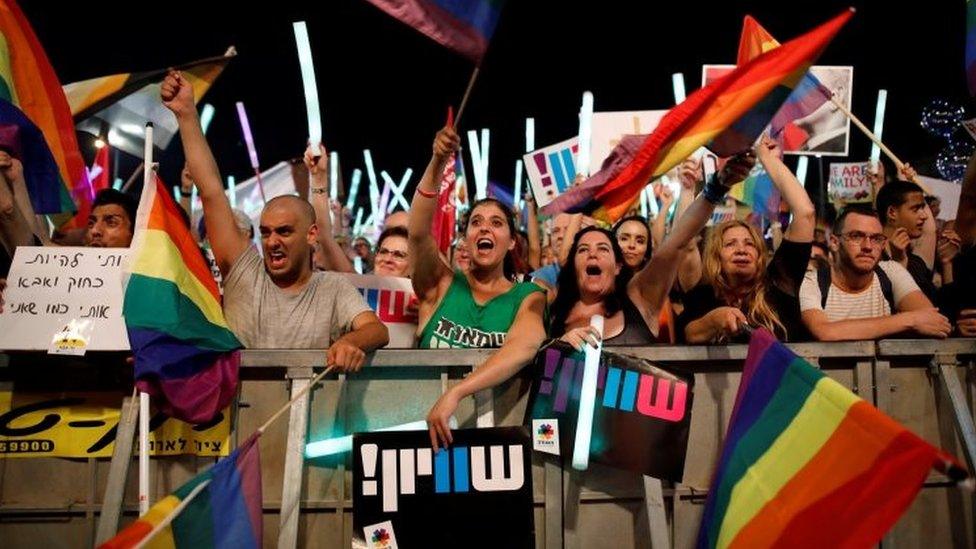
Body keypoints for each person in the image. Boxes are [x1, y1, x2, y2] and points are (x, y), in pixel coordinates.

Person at [162, 70, 387, 371]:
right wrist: (187, 114)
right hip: (239, 414)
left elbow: (377, 329)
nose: (272, 242)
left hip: (305, 412)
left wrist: (351, 342)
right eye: (266, 233)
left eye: (284, 232)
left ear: (311, 235)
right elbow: (212, 192)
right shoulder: (244, 273)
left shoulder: (332, 287)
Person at [410, 126, 546, 449]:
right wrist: (437, 162)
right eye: (476, 222)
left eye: (497, 223)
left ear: (513, 241)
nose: (485, 227)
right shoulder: (441, 285)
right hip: (422, 441)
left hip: (495, 451)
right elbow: (417, 232)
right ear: (466, 237)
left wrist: (456, 392)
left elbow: (525, 347)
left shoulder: (528, 296)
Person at [551, 150, 754, 349]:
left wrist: (716, 187)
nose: (592, 253)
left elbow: (678, 241)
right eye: (583, 250)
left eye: (603, 249)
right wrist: (555, 347)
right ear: (572, 264)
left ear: (618, 266)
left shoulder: (641, 297)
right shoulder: (551, 309)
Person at [679, 136, 816, 342]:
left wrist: (768, 159)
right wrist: (688, 189)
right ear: (716, 255)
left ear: (761, 255)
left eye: (749, 244)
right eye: (730, 244)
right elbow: (684, 242)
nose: (741, 249)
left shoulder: (779, 284)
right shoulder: (704, 293)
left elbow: (805, 213)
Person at [799, 205, 951, 340]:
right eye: (856, 236)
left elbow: (933, 322)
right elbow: (824, 331)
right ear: (834, 243)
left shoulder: (891, 272)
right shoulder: (812, 282)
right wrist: (909, 321)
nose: (868, 246)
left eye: (876, 239)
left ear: (883, 244)